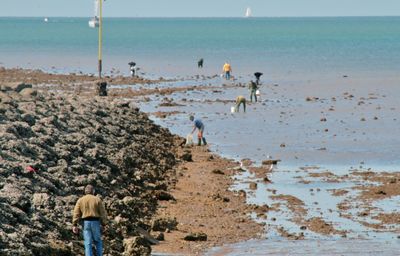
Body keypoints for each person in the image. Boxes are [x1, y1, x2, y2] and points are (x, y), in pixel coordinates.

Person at [73, 185, 108, 256]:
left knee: (87, 242)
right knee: (97, 241)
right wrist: (104, 224)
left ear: (85, 191)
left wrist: (74, 224)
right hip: (95, 222)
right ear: (93, 191)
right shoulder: (97, 199)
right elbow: (103, 213)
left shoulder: (80, 200)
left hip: (85, 223)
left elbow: (76, 213)